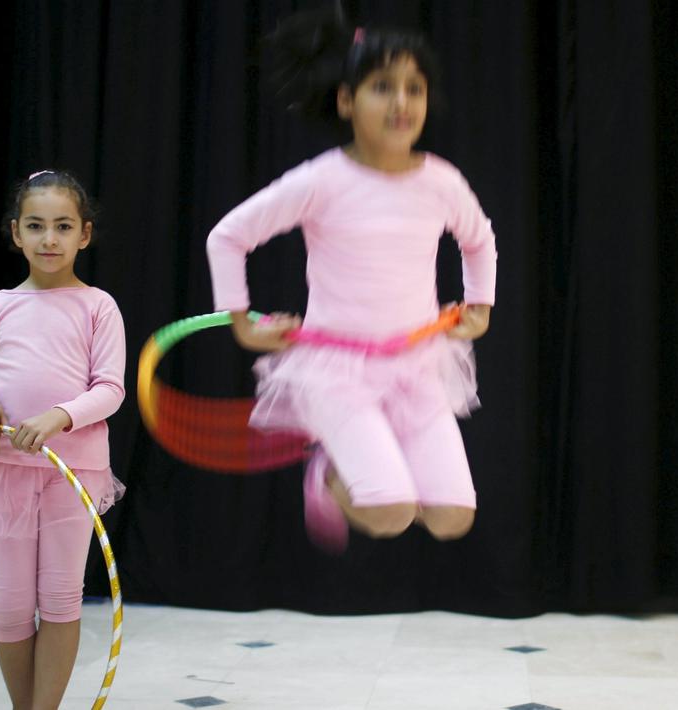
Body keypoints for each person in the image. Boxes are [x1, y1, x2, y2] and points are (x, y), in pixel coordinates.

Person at [206, 7, 497, 552]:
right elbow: (227, 237)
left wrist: (479, 305)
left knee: (453, 517)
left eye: (415, 88)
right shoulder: (323, 180)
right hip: (337, 371)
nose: (402, 102)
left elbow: (479, 240)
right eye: (383, 87)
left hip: (417, 364)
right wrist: (242, 322)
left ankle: (361, 468)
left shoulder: (442, 181)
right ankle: (330, 474)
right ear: (346, 100)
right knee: (388, 514)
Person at [0, 169, 126, 709]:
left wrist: (58, 416)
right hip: (5, 471)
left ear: (84, 234)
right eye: (36, 226)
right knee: (7, 604)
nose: (48, 239)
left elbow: (110, 389)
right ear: (16, 233)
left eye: (62, 226)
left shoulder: (98, 306)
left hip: (72, 473)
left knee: (58, 599)